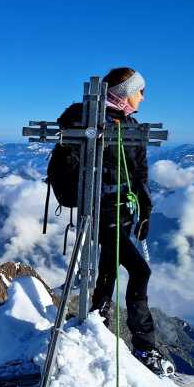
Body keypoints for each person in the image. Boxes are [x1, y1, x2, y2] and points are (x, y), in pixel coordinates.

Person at [57, 67, 161, 369]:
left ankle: (98, 318)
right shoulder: (87, 122)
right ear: (124, 92)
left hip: (124, 210)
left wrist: (145, 208)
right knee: (140, 272)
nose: (143, 97)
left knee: (109, 266)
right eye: (140, 91)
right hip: (101, 210)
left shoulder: (130, 125)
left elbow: (140, 172)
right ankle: (144, 346)